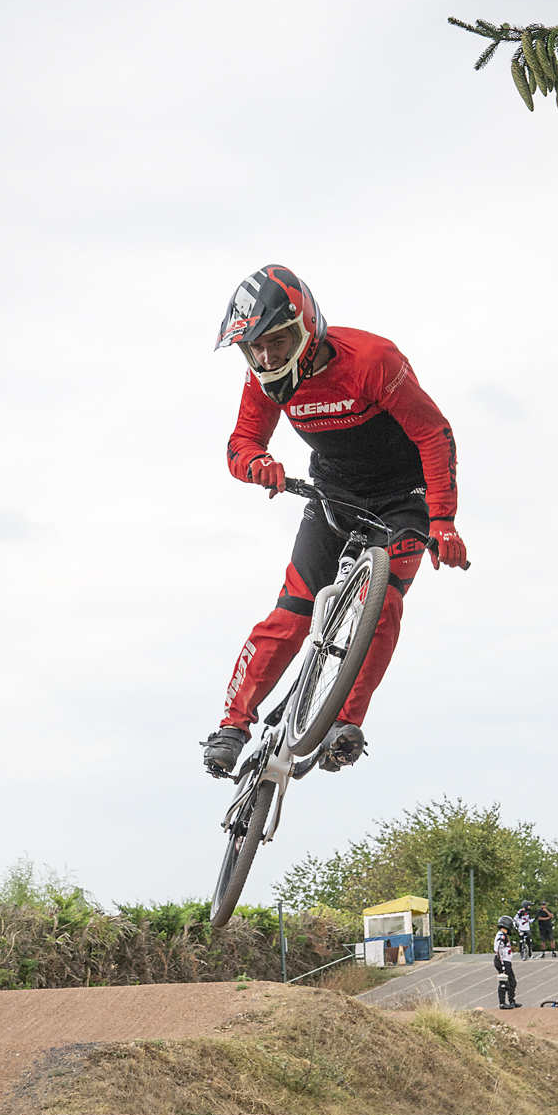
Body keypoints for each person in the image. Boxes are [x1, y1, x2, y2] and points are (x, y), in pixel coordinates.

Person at [202, 265, 468, 777]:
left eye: (276, 342)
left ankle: (345, 724)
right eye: (254, 348)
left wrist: (444, 520)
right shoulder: (264, 380)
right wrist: (258, 463)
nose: (265, 358)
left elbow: (434, 434)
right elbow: (241, 443)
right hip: (335, 493)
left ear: (304, 328)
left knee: (383, 603)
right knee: (292, 614)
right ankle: (231, 726)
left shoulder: (373, 361)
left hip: (404, 496)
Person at [494, 915, 520, 1009]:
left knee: (512, 981)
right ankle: (502, 1003)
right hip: (502, 961)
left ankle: (512, 1001)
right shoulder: (501, 936)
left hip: (506, 961)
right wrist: (502, 964)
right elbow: (499, 950)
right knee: (504, 981)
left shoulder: (503, 935)